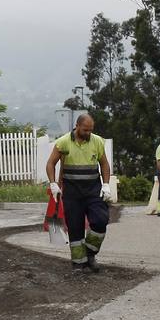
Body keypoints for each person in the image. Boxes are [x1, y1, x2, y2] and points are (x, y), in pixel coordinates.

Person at [45, 113, 113, 273]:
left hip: (93, 190)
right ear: (77, 126)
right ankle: (78, 263)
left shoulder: (97, 141)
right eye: (85, 130)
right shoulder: (64, 142)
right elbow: (50, 163)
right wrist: (53, 183)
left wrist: (107, 185)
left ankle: (90, 253)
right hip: (72, 192)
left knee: (101, 220)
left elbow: (104, 164)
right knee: (75, 227)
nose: (88, 133)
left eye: (91, 130)